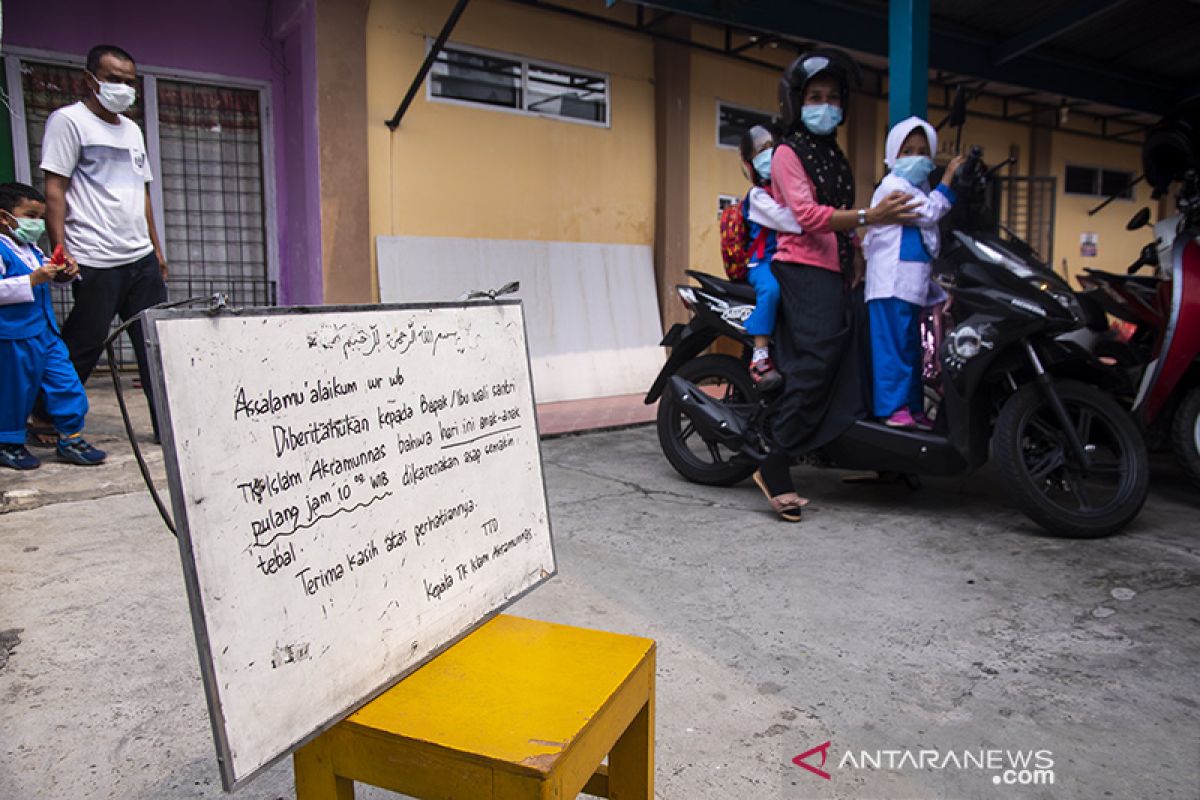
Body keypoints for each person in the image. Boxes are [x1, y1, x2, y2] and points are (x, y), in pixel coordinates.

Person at [751, 49, 921, 521]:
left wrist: (862, 244)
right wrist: (871, 215)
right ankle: (774, 461)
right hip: (803, 268)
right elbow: (806, 217)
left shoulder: (833, 154)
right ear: (796, 102)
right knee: (817, 363)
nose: (824, 105)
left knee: (854, 361)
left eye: (832, 97)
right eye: (814, 96)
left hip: (838, 269)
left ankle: (864, 454)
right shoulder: (788, 152)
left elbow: (842, 222)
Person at [37, 44, 167, 442]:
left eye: (129, 82)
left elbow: (142, 194)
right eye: (114, 79)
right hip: (95, 256)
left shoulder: (132, 130)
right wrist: (61, 250)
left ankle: (169, 426)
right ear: (89, 80)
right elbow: (55, 188)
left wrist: (157, 249)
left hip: (139, 257)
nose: (123, 88)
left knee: (157, 346)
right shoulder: (68, 122)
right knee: (84, 343)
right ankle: (45, 417)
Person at [863, 117, 965, 430]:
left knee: (910, 351)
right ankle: (893, 408)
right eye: (907, 151)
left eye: (923, 151)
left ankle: (913, 407)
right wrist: (948, 178)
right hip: (889, 284)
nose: (916, 157)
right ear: (893, 153)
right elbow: (931, 212)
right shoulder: (894, 187)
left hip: (910, 286)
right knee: (892, 351)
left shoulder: (917, 188)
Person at [0, 182, 106, 469]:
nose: (37, 224)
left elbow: (50, 274)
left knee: (66, 382)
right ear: (3, 217)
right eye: (30, 216)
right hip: (13, 336)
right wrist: (32, 280)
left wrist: (64, 272)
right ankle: (9, 442)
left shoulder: (31, 250)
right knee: (15, 390)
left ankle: (71, 437)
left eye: (39, 218)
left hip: (45, 333)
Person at [738, 124, 803, 392]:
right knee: (772, 290)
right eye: (761, 151)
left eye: (772, 147)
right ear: (750, 162)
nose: (769, 154)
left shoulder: (786, 191)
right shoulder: (757, 196)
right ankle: (760, 357)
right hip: (762, 263)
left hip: (787, 261)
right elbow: (790, 221)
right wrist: (814, 216)